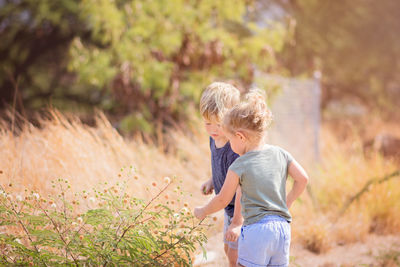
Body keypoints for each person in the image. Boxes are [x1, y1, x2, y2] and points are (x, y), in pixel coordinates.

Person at [194, 89, 309, 267]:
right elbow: (303, 179)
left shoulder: (239, 165)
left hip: (256, 230)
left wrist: (203, 211)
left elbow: (223, 199)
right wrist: (287, 203)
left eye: (231, 140)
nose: (230, 146)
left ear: (240, 137)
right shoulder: (280, 153)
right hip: (283, 228)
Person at [199, 82, 243, 267]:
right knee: (227, 249)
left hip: (242, 208)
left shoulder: (235, 147)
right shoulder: (214, 139)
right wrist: (212, 180)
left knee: (236, 255)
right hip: (229, 207)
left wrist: (238, 222)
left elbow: (242, 186)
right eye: (208, 123)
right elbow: (222, 167)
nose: (213, 129)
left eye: (218, 124)